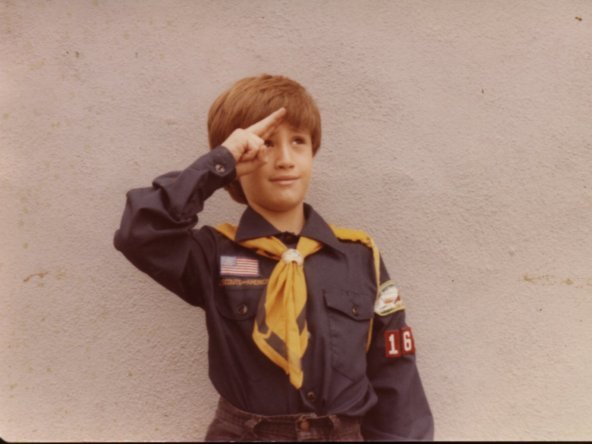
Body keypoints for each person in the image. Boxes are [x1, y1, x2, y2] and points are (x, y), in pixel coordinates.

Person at [114, 74, 434, 441]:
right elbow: (139, 232)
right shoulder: (213, 254)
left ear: (313, 152)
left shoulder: (360, 256)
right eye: (266, 145)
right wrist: (219, 164)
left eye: (298, 142)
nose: (284, 159)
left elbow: (396, 377)